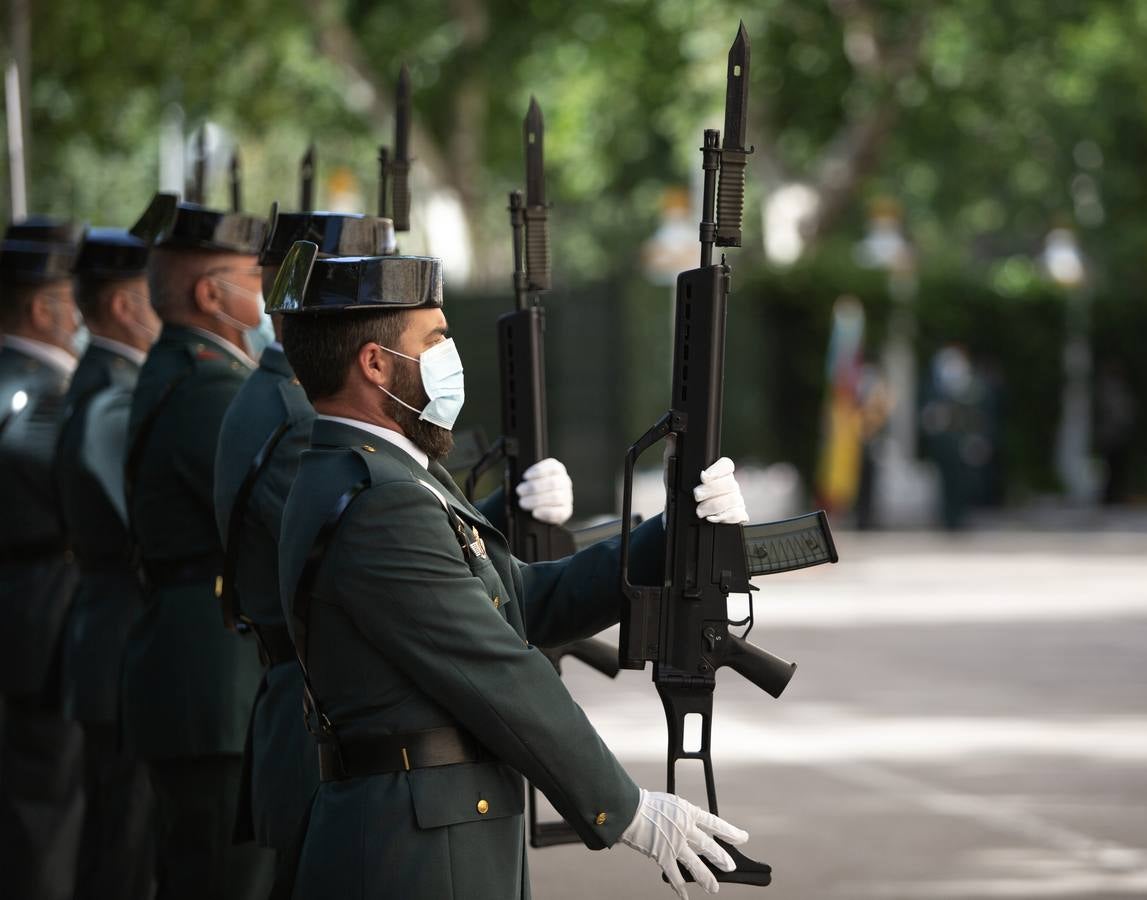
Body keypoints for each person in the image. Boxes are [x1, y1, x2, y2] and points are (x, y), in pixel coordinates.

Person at [272, 242, 751, 900]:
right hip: (418, 856)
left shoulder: (383, 474)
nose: (450, 357)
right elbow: (498, 668)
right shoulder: (380, 497)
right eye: (435, 338)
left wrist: (670, 537)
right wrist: (628, 809)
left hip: (427, 829)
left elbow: (525, 598)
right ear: (376, 363)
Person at [213, 208, 573, 898]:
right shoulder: (308, 420)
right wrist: (627, 808)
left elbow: (415, 548)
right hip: (342, 731)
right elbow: (390, 551)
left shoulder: (340, 425)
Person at [121, 192, 275, 899]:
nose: (269, 291)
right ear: (212, 293)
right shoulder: (208, 387)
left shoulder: (192, 370)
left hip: (202, 665)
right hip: (212, 677)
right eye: (255, 275)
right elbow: (278, 514)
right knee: (223, 878)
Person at [54, 227, 161, 900]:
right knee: (125, 853)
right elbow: (154, 529)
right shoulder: (111, 396)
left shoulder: (109, 381)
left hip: (116, 643)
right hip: (124, 650)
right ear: (124, 305)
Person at [0, 217, 87, 900]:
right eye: (76, 296)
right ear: (41, 308)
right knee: (50, 808)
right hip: (47, 610)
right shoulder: (51, 397)